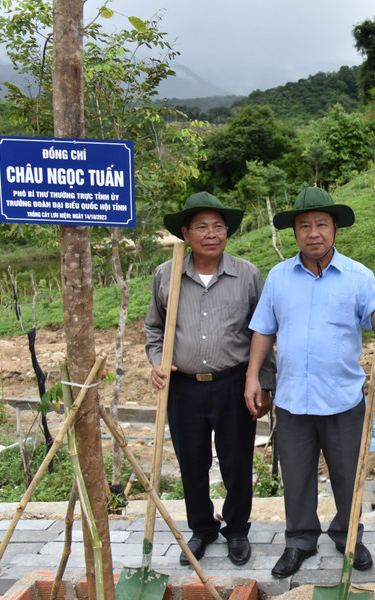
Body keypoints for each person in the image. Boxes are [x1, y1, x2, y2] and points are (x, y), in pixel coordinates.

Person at [244, 187, 375, 579]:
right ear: (294, 233)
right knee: (296, 476)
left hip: (343, 398)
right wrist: (252, 376)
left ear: (334, 229)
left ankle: (349, 535)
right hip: (293, 398)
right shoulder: (279, 277)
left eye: (321, 224)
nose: (313, 233)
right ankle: (299, 539)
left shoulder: (358, 276)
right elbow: (264, 330)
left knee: (348, 476)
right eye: (304, 226)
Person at [144, 191, 276, 567]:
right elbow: (154, 330)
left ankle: (236, 530)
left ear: (227, 233)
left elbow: (264, 333)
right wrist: (157, 361)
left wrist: (263, 383)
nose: (211, 233)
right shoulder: (165, 275)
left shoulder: (247, 274)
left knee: (237, 461)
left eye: (218, 226)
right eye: (201, 226)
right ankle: (201, 529)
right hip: (183, 387)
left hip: (234, 383)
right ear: (186, 233)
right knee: (192, 461)